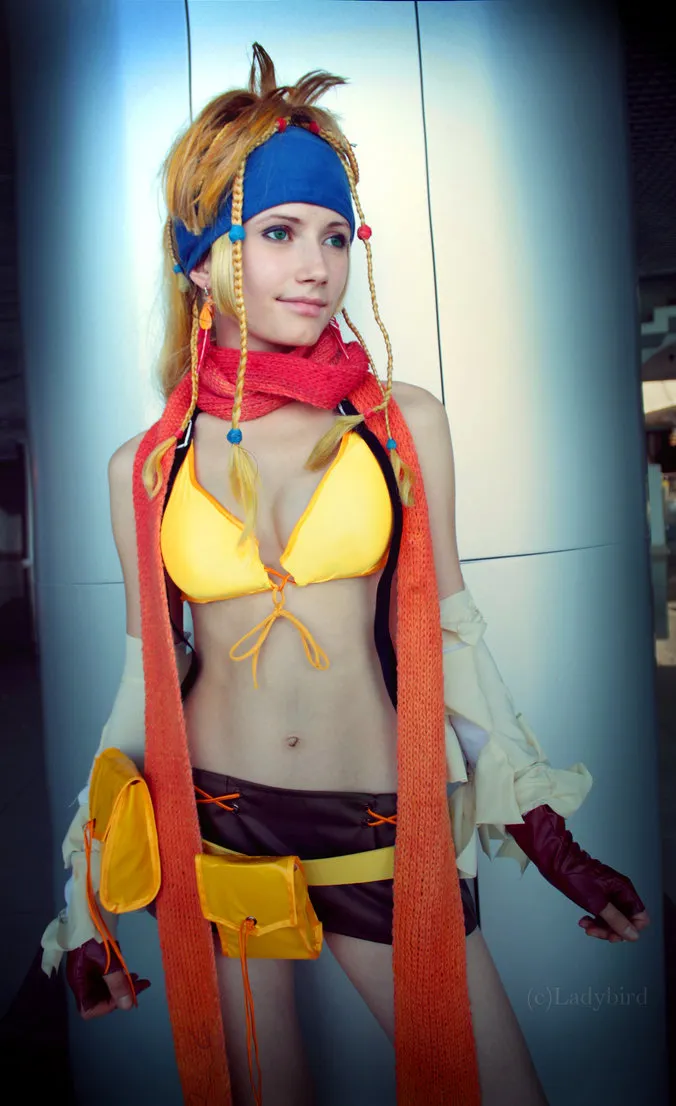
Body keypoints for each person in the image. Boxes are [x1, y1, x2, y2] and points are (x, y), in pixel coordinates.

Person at [40, 44, 650, 1106]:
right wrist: (83, 897)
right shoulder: (145, 465)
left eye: (334, 235)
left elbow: (454, 641)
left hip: (381, 820)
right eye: (277, 232)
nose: (317, 265)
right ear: (201, 260)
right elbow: (146, 686)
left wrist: (550, 841)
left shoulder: (402, 424)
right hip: (218, 816)